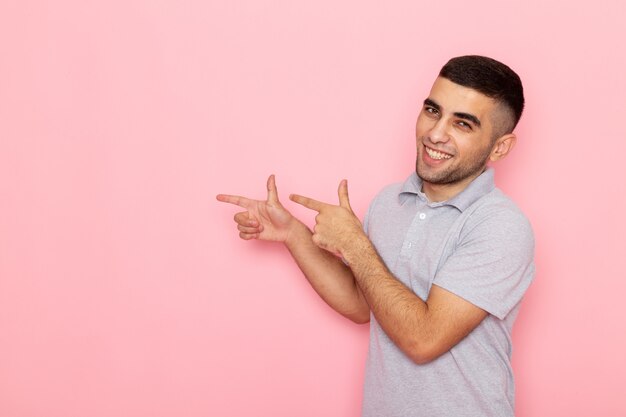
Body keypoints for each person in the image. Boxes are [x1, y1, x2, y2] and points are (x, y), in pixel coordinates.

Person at [216, 55, 534, 417]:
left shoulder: (500, 226)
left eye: (462, 124)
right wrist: (293, 233)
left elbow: (423, 339)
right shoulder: (389, 202)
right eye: (433, 110)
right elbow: (362, 303)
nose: (436, 133)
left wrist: (354, 243)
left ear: (500, 147)